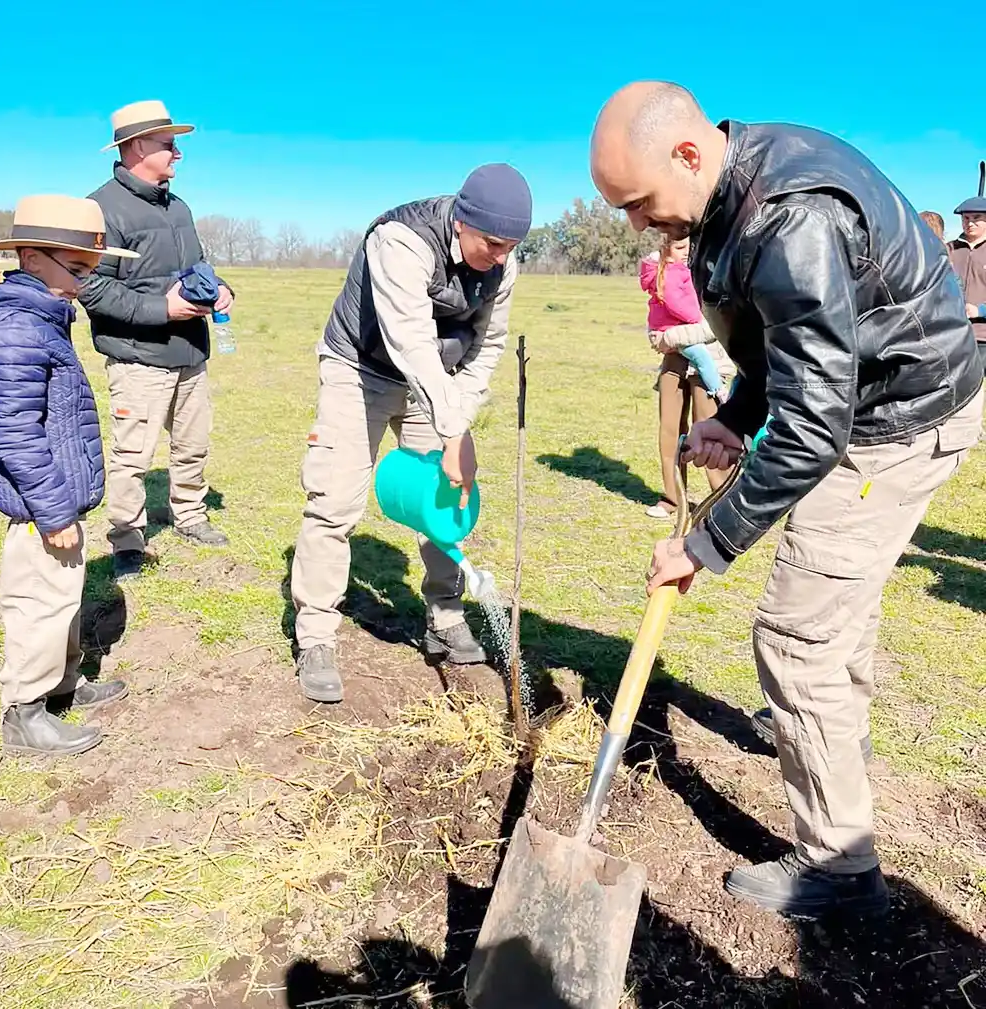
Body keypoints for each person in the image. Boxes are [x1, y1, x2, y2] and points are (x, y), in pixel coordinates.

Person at [591, 81, 983, 919]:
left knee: (796, 633)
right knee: (833, 602)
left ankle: (839, 869)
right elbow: (785, 347)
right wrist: (734, 417)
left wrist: (702, 545)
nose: (636, 224)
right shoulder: (723, 199)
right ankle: (836, 734)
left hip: (900, 421)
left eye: (638, 202)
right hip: (866, 405)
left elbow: (812, 425)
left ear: (688, 153)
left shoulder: (790, 217)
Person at [290, 164, 532, 703]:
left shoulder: (502, 263)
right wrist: (453, 433)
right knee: (336, 499)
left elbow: (488, 345)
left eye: (511, 246)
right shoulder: (400, 240)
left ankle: (444, 615)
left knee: (447, 500)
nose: (499, 256)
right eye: (492, 243)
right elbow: (411, 343)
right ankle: (316, 635)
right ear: (462, 221)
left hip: (438, 380)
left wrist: (459, 423)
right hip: (361, 368)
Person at [0, 196, 138, 755]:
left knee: (66, 594)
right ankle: (25, 713)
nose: (83, 284)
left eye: (88, 270)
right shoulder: (16, 327)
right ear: (31, 257)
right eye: (74, 270)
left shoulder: (43, 315)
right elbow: (11, 432)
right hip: (39, 509)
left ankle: (63, 683)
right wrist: (53, 511)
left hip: (57, 501)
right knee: (40, 602)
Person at [79, 100, 234, 582]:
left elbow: (198, 268)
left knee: (192, 444)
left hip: (190, 352)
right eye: (169, 144)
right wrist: (161, 310)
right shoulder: (99, 208)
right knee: (133, 456)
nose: (178, 154)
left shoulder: (179, 207)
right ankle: (127, 539)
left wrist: (222, 289)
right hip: (137, 359)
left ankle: (189, 514)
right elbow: (91, 286)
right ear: (134, 147)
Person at [639, 237, 733, 520]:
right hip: (673, 360)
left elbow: (715, 324)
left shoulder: (717, 266)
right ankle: (672, 498)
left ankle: (722, 500)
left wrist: (669, 337)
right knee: (669, 428)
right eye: (680, 247)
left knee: (708, 429)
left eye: (689, 247)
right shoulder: (663, 271)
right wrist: (659, 337)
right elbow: (656, 315)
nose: (687, 252)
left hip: (709, 361)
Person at [946, 194, 986, 372]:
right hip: (952, 335)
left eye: (976, 218)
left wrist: (980, 310)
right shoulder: (948, 250)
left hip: (983, 338)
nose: (970, 223)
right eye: (966, 218)